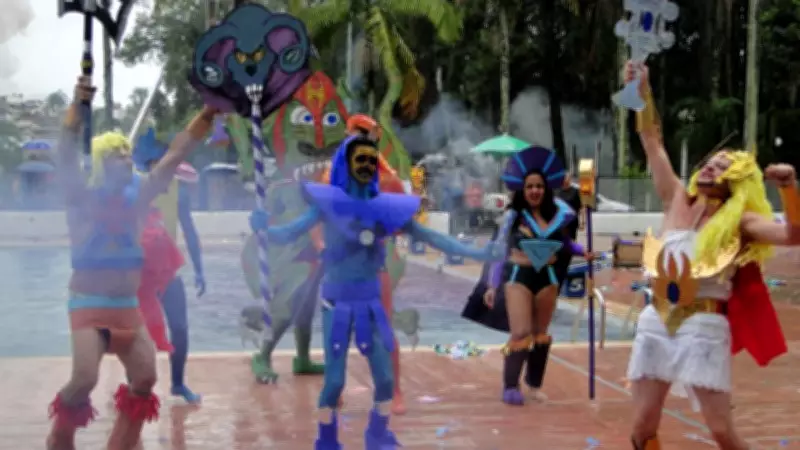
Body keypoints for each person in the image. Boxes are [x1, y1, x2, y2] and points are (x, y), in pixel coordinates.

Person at [249, 134, 503, 449]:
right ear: (347, 164)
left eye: (372, 160)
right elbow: (287, 233)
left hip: (370, 302)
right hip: (337, 302)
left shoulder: (385, 209)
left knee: (384, 380)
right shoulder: (328, 205)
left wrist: (478, 253)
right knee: (334, 382)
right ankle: (327, 439)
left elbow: (431, 237)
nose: (368, 165)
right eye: (361, 159)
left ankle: (378, 433)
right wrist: (264, 228)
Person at [625, 61, 796, 450]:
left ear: (736, 182)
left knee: (721, 431)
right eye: (710, 164)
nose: (709, 169)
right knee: (642, 427)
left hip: (703, 326)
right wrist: (642, 91)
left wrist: (789, 188)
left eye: (722, 168)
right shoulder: (675, 198)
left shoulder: (741, 222)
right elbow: (651, 140)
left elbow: (793, 235)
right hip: (655, 320)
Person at [46, 76, 216, 450]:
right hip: (89, 305)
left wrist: (207, 114)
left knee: (145, 379)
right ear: (101, 164)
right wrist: (77, 107)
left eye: (127, 153)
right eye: (117, 155)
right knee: (84, 379)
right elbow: (66, 154)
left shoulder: (139, 195)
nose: (126, 159)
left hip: (127, 306)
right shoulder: (81, 197)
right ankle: (60, 438)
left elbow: (174, 156)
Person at [472, 145, 593, 406]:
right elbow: (499, 251)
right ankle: (510, 385)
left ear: (546, 188)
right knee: (521, 332)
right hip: (519, 277)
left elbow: (565, 243)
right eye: (530, 187)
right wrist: (492, 285)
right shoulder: (513, 217)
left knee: (540, 333)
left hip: (547, 278)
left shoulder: (558, 215)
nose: (535, 191)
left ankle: (534, 384)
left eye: (539, 186)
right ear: (522, 190)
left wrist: (583, 252)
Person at [132, 129, 206, 404]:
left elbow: (189, 230)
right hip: (140, 274)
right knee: (140, 331)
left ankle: (177, 383)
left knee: (180, 328)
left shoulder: (177, 192)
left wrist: (199, 268)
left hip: (169, 271)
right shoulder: (134, 191)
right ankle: (135, 384)